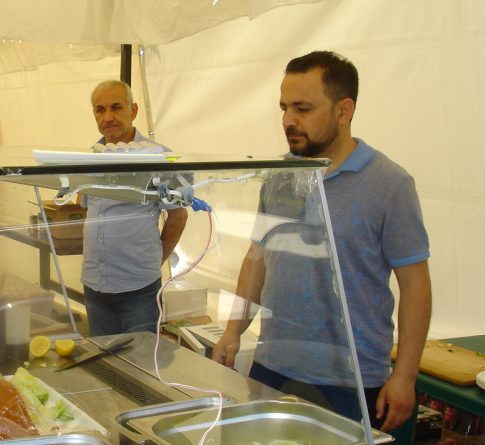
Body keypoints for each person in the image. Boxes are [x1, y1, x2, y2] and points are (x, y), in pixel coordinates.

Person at [211, 51, 432, 433]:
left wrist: (405, 376)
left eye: (303, 108)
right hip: (274, 365)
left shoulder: (389, 184)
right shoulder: (279, 175)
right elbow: (256, 258)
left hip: (352, 379)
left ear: (344, 111)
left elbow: (416, 286)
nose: (288, 120)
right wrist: (233, 331)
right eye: (284, 108)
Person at [81, 80, 188, 336]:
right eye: (100, 109)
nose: (108, 117)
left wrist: (154, 261)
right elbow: (85, 210)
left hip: (139, 289)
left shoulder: (159, 158)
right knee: (102, 357)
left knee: (141, 357)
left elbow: (178, 217)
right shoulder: (88, 158)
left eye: (116, 107)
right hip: (94, 285)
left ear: (133, 110)